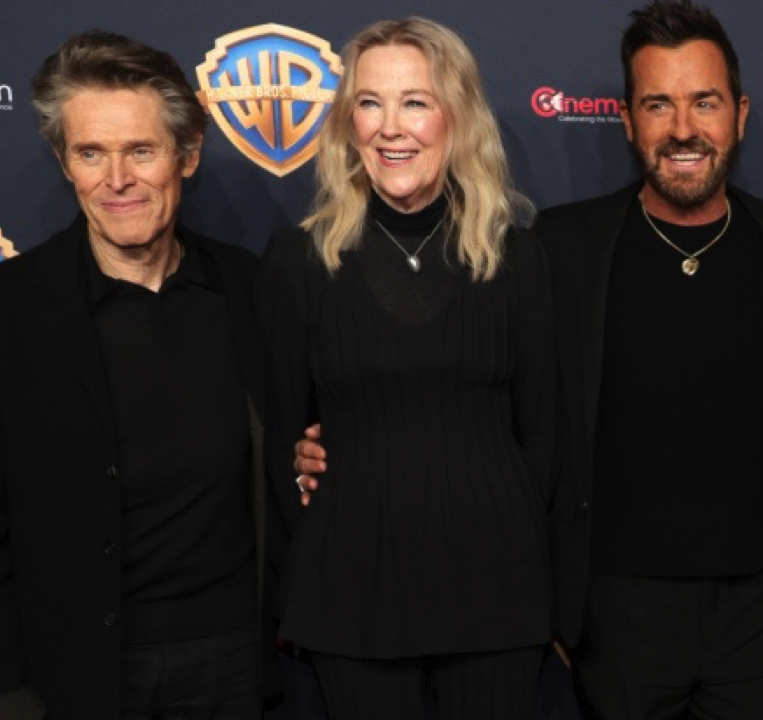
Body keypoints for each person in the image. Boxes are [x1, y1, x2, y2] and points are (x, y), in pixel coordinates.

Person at [297, 3, 763, 718]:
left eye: (704, 102)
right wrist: (325, 443)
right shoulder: (562, 248)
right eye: (658, 105)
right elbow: (514, 415)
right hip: (615, 611)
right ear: (626, 120)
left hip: (761, 609)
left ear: (738, 114)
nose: (682, 128)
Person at [0, 30, 281, 720]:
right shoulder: (1, 312)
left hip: (232, 663)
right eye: (91, 153)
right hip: (74, 674)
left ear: (187, 155)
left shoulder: (249, 289)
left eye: (141, 151)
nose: (116, 180)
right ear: (65, 163)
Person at [255, 17, 555, 720]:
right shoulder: (299, 262)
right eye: (370, 102)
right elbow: (277, 441)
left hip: (496, 594)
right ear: (348, 123)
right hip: (351, 594)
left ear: (457, 116)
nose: (391, 127)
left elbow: (544, 440)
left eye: (415, 102)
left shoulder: (516, 259)